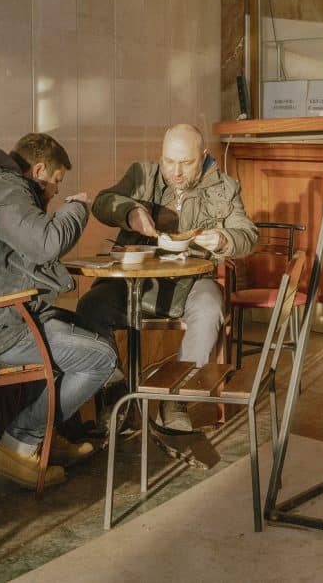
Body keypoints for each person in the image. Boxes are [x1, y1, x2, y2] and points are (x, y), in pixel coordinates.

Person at [0, 134, 117, 489]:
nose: (53, 195)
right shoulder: (0, 188)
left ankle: (45, 438)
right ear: (40, 170)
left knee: (74, 324)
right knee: (100, 356)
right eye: (56, 184)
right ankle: (19, 444)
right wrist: (76, 208)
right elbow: (44, 244)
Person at [77, 124, 257, 433]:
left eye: (185, 163)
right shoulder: (142, 175)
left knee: (210, 309)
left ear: (203, 156)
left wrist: (224, 238)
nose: (175, 171)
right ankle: (116, 396)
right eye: (168, 161)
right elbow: (103, 202)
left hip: (193, 281)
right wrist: (129, 211)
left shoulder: (225, 188)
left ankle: (177, 398)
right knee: (91, 307)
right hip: (136, 282)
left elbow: (248, 235)